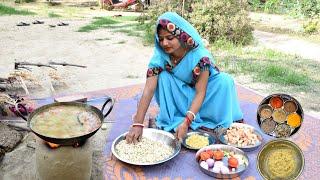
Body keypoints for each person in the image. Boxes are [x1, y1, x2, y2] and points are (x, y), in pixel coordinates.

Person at [125, 12, 243, 144]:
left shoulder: (200, 57)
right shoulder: (159, 57)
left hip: (207, 95)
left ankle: (210, 120)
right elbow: (148, 90)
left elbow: (200, 92)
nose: (164, 43)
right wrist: (138, 124)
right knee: (163, 77)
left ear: (182, 36)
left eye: (170, 38)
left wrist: (186, 122)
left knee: (225, 81)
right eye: (161, 39)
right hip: (181, 94)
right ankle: (175, 117)